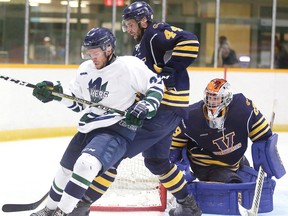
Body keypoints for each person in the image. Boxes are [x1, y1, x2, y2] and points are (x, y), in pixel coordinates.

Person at [68, 1, 201, 216]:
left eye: (131, 25)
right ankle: (189, 205)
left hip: (163, 109)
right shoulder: (140, 47)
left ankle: (80, 206)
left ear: (143, 20)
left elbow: (190, 41)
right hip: (166, 112)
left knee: (113, 153)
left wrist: (169, 71)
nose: (129, 30)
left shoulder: (155, 33)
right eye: (126, 25)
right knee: (157, 162)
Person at [30, 27, 164, 216]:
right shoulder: (85, 70)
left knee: (86, 164)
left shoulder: (128, 66)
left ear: (109, 49)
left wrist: (146, 105)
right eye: (89, 52)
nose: (92, 57)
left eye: (96, 53)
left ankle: (63, 212)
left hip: (116, 129)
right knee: (65, 169)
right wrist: (56, 94)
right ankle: (49, 209)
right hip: (88, 127)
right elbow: (78, 104)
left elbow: (156, 85)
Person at [170, 78, 282, 183]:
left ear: (227, 98)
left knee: (253, 184)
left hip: (235, 161)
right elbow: (173, 148)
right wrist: (178, 167)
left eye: (216, 98)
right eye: (209, 97)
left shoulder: (242, 109)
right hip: (206, 165)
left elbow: (263, 137)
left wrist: (267, 156)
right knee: (233, 186)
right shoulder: (190, 117)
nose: (211, 102)